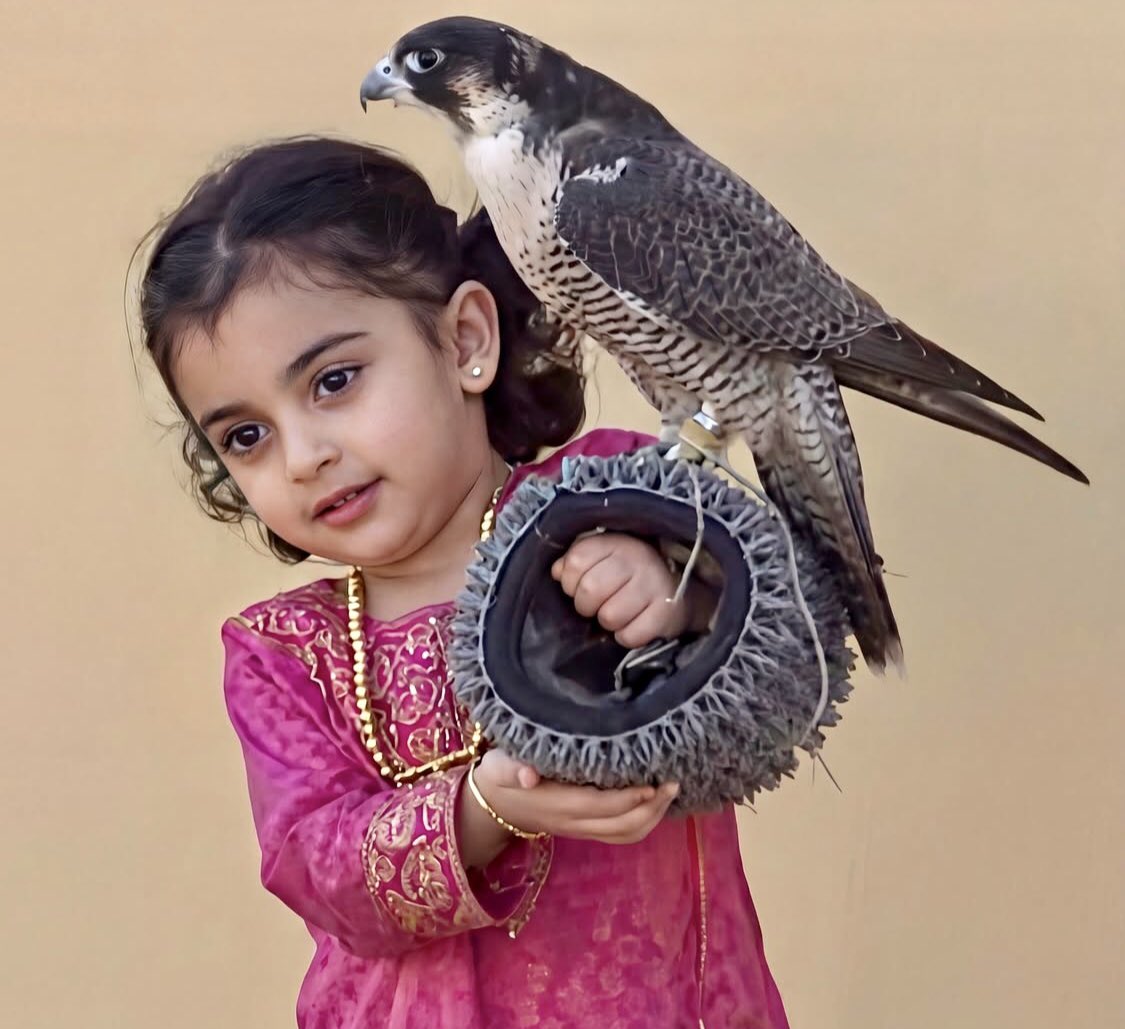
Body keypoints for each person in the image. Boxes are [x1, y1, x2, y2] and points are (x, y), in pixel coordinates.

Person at [137, 135, 789, 1028]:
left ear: (465, 342)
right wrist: (481, 808)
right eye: (244, 435)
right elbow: (317, 868)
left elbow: (782, 644)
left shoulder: (614, 500)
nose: (304, 456)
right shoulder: (284, 652)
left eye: (333, 381)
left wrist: (678, 598)